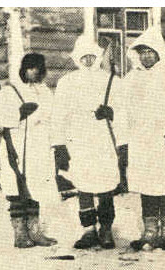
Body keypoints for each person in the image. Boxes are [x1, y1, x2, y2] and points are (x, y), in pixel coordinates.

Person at [113, 26, 165, 251]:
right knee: (147, 186)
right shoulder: (131, 79)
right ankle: (149, 232)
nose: (147, 56)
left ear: (159, 52)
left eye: (150, 51)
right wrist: (124, 141)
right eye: (142, 52)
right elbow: (121, 111)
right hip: (141, 141)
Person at [53, 35, 121, 249]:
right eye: (84, 57)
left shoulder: (111, 81)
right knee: (84, 185)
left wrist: (112, 113)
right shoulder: (67, 82)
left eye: (92, 56)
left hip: (103, 139)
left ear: (98, 57)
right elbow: (58, 115)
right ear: (77, 59)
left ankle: (106, 228)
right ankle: (88, 230)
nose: (88, 61)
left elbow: (123, 112)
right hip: (79, 139)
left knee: (105, 185)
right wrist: (59, 144)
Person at [0, 53, 57, 248]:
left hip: (38, 145)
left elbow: (53, 118)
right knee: (16, 187)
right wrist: (17, 114)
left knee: (35, 186)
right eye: (29, 68)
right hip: (16, 144)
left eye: (37, 68)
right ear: (23, 70)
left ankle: (35, 231)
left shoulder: (46, 92)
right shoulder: (10, 92)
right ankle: (20, 232)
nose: (33, 72)